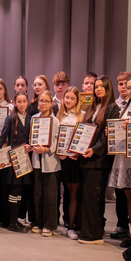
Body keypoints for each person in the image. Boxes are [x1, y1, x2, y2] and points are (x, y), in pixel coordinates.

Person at [78, 76, 119, 245]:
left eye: (102, 86)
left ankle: (94, 234)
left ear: (108, 89)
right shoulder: (93, 107)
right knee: (87, 196)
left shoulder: (112, 108)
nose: (98, 89)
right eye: (96, 87)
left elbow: (107, 137)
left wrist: (94, 150)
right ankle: (88, 231)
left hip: (99, 160)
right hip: (86, 158)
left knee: (94, 196)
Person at [108, 77, 131, 247]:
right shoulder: (123, 107)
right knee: (128, 194)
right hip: (123, 155)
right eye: (129, 87)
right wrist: (112, 131)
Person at [0, 92, 33, 233]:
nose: (22, 104)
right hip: (13, 159)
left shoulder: (30, 119)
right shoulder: (10, 119)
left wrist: (30, 146)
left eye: (24, 101)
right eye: (19, 101)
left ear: (27, 102)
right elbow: (2, 138)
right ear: (14, 103)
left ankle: (16, 219)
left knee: (21, 191)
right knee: (14, 190)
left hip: (25, 160)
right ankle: (11, 222)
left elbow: (32, 139)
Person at [30, 90, 60, 236]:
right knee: (38, 195)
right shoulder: (34, 118)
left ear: (51, 104)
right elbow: (32, 137)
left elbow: (56, 141)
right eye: (41, 101)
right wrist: (31, 146)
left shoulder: (55, 121)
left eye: (46, 101)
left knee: (50, 196)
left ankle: (49, 225)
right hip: (37, 161)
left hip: (50, 162)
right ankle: (38, 222)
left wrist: (46, 149)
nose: (43, 103)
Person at [56, 87, 83, 240]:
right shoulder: (58, 116)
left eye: (72, 98)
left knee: (74, 192)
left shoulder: (82, 115)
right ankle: (60, 221)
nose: (69, 101)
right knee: (62, 191)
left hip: (74, 159)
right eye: (67, 97)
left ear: (77, 100)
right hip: (61, 159)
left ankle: (72, 226)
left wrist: (77, 151)